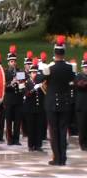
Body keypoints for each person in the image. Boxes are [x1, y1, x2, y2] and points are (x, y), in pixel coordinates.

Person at [42, 35, 76, 166]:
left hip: (51, 104)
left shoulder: (49, 68)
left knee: (54, 131)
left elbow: (39, 80)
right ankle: (63, 158)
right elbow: (72, 78)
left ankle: (56, 158)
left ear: (54, 53)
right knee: (63, 130)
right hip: (65, 103)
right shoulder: (70, 68)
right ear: (64, 53)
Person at [4, 45, 25, 146]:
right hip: (9, 99)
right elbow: (3, 87)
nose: (13, 63)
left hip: (18, 99)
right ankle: (9, 138)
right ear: (8, 62)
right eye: (11, 61)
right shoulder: (5, 72)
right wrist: (11, 83)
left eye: (14, 61)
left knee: (17, 120)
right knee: (8, 121)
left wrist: (21, 84)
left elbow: (22, 85)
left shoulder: (20, 71)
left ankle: (16, 139)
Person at [23, 58, 45, 152]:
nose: (35, 74)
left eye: (36, 72)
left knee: (39, 127)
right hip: (30, 109)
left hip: (39, 108)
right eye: (33, 73)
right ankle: (31, 145)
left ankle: (38, 145)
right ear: (30, 74)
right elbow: (27, 94)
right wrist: (33, 89)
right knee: (31, 127)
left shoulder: (40, 83)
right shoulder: (27, 83)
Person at [74, 52, 87, 151]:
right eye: (85, 67)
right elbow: (80, 85)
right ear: (82, 68)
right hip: (81, 105)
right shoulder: (79, 76)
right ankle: (82, 143)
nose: (86, 69)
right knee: (82, 126)